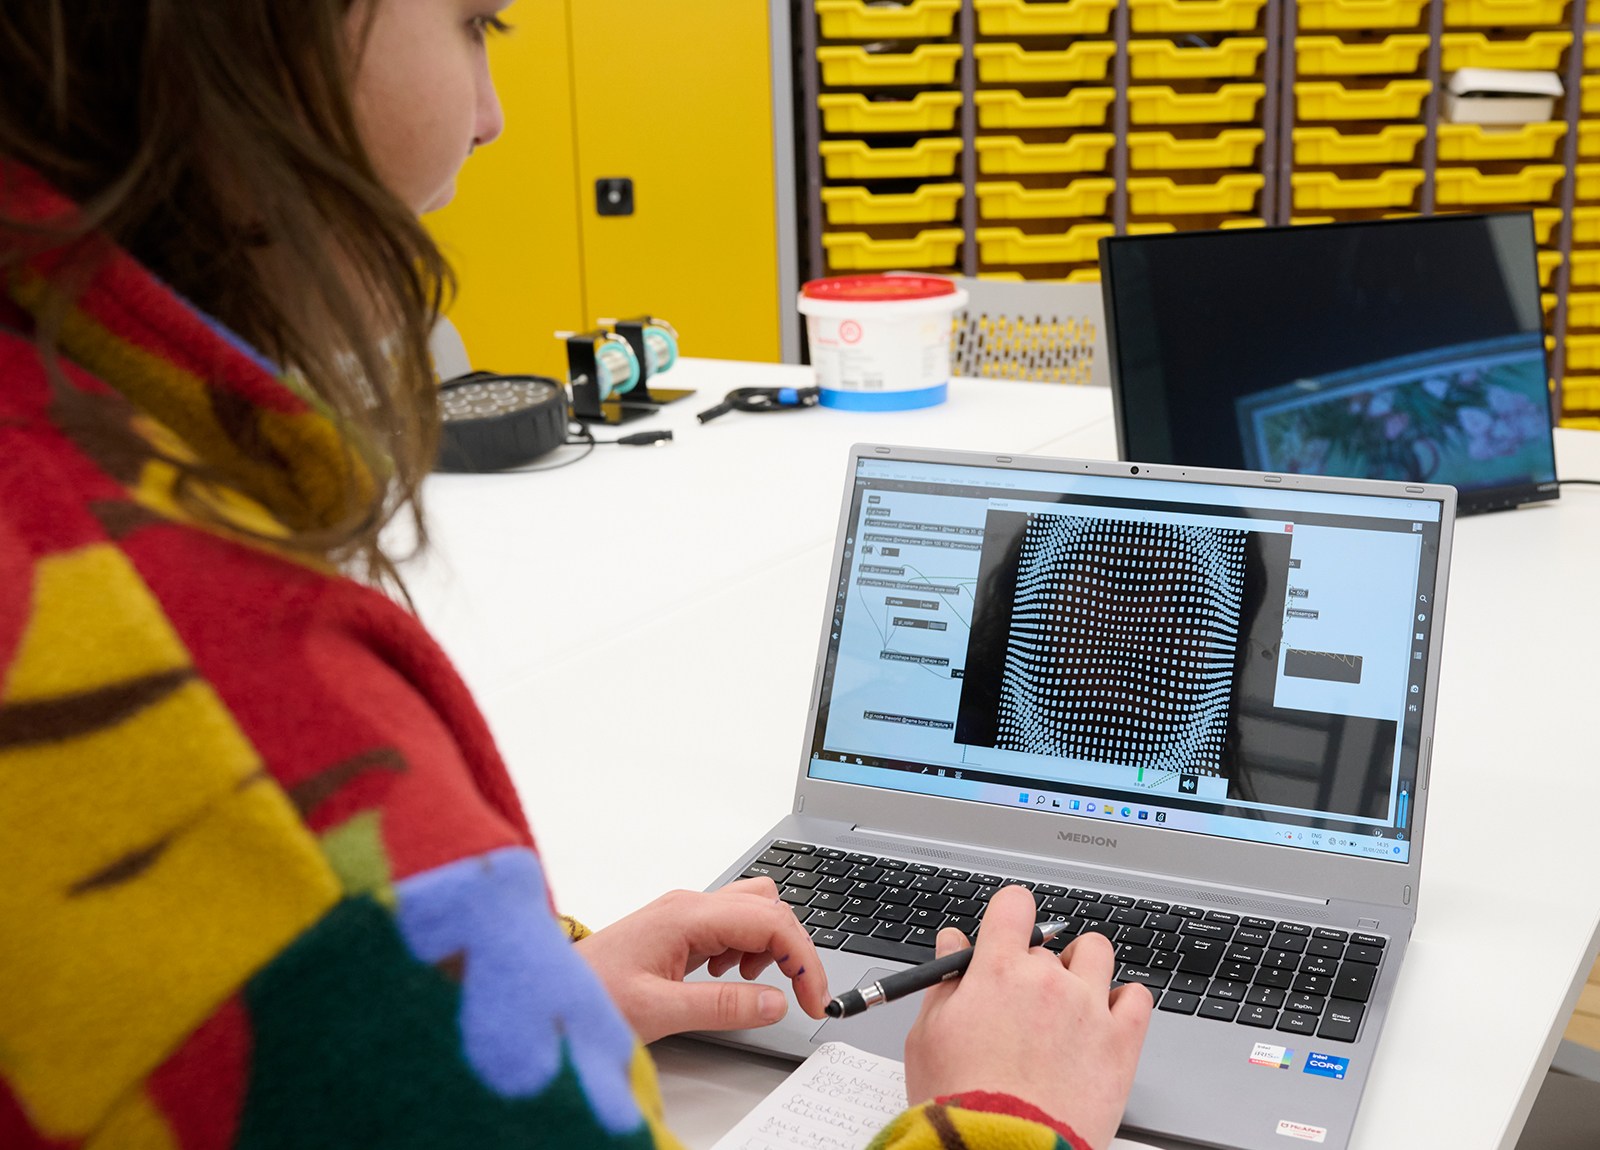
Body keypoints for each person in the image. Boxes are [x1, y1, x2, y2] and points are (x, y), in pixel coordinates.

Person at [0, 2, 1153, 1148]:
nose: (494, 118)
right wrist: (1008, 1118)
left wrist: (512, 995)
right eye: (477, 25)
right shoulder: (223, 717)